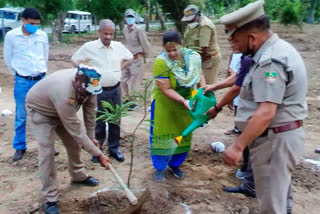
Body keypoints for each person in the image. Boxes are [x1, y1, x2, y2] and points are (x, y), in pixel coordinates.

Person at [219, 1, 308, 213]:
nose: (235, 47)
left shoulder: (270, 61)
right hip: (278, 139)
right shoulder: (277, 50)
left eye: (236, 41)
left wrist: (238, 146)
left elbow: (266, 112)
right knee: (278, 199)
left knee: (271, 206)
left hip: (274, 142)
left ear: (252, 38)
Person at [26, 65, 111, 214]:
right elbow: (76, 131)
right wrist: (98, 154)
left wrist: (91, 137)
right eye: (86, 91)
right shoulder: (64, 92)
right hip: (41, 112)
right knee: (47, 152)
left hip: (62, 112)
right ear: (77, 81)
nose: (89, 94)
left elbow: (90, 113)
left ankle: (78, 176)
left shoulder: (91, 86)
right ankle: (50, 197)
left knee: (74, 146)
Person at [71, 19, 133, 163]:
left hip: (115, 89)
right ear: (99, 32)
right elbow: (74, 60)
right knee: (98, 120)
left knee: (115, 119)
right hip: (98, 91)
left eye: (111, 34)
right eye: (105, 33)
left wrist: (120, 68)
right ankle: (97, 150)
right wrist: (85, 74)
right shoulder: (89, 47)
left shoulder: (118, 46)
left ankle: (114, 148)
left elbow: (129, 57)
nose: (108, 37)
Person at [150, 31, 205, 182]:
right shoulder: (161, 63)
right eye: (168, 51)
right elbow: (165, 89)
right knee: (163, 136)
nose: (172, 53)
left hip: (187, 104)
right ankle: (160, 168)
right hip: (166, 105)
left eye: (176, 49)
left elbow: (200, 75)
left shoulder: (193, 58)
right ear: (163, 49)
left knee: (183, 134)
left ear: (182, 46)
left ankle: (175, 164)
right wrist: (183, 101)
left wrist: (202, 93)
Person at [3, 7, 49, 161]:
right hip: (23, 80)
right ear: (23, 21)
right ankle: (20, 147)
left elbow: (45, 55)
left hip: (41, 80)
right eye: (31, 23)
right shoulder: (12, 36)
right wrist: (18, 73)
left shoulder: (42, 35)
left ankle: (47, 145)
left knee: (45, 114)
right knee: (21, 115)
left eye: (37, 24)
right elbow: (8, 58)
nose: (35, 26)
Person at [182, 4, 221, 84]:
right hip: (197, 59)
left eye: (191, 20)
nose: (189, 22)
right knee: (197, 85)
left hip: (208, 59)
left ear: (198, 15)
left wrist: (193, 64)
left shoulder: (205, 26)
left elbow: (203, 50)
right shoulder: (191, 25)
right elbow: (187, 41)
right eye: (188, 20)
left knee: (206, 87)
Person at [122, 9, 152, 111]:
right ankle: (126, 99)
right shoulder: (125, 30)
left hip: (137, 59)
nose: (129, 19)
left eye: (131, 17)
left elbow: (145, 44)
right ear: (125, 18)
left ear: (134, 18)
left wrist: (146, 57)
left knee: (135, 82)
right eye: (128, 17)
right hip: (128, 58)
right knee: (122, 79)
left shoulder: (139, 30)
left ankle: (133, 102)